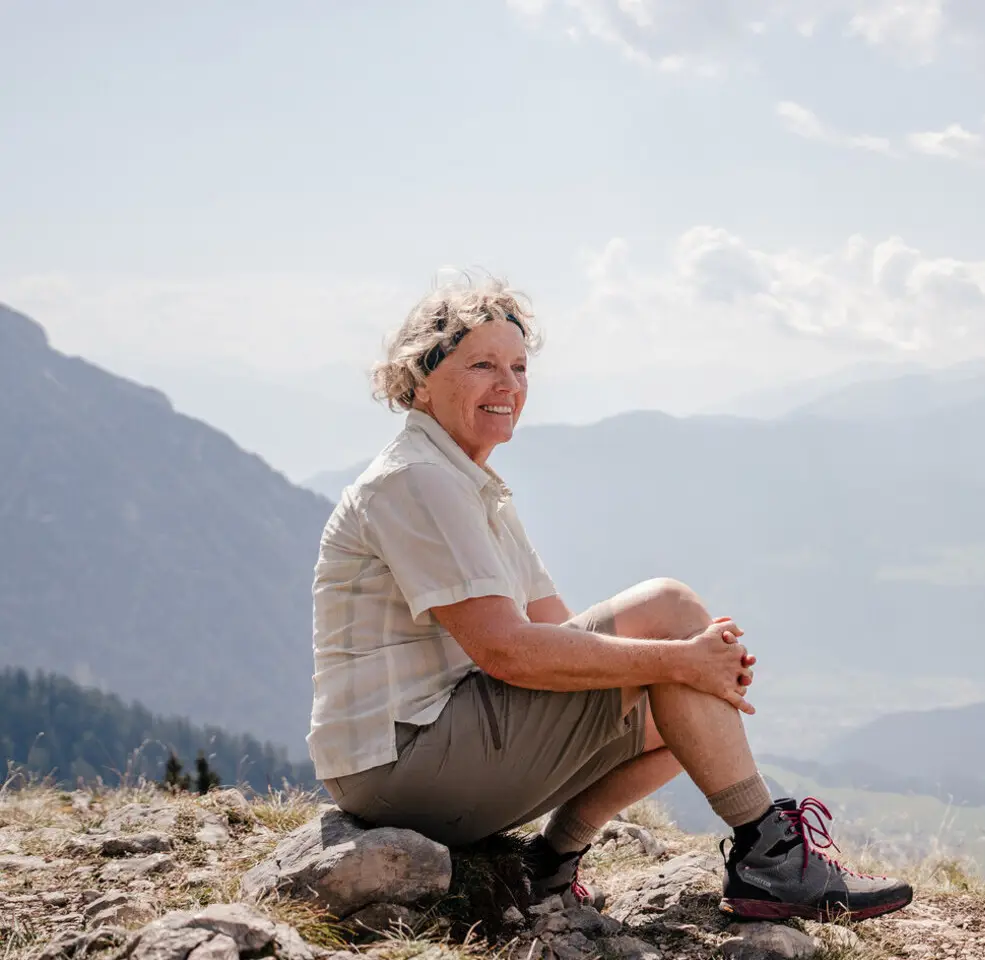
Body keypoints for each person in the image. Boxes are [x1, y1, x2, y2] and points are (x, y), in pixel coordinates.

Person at [307, 275, 910, 921]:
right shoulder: (419, 481)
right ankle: (767, 852)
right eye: (482, 364)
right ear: (420, 378)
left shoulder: (468, 485)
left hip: (423, 756)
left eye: (518, 366)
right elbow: (509, 653)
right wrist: (677, 659)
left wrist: (686, 670)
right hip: (401, 765)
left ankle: (550, 865)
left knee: (689, 699)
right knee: (671, 614)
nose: (508, 384)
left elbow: (560, 635)